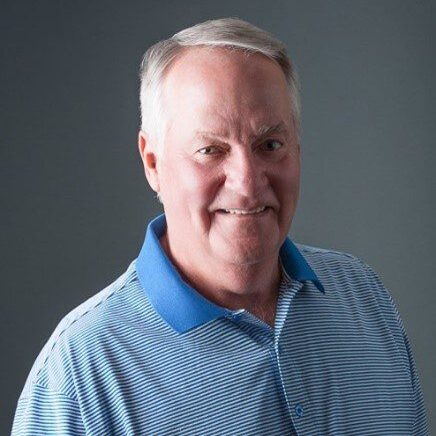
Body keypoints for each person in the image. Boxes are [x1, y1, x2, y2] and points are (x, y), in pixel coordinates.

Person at [12, 17, 429, 435]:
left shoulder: (366, 302)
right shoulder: (82, 374)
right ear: (152, 162)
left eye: (270, 145)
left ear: (297, 149)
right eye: (210, 149)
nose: (247, 183)